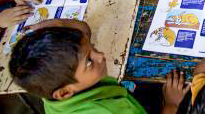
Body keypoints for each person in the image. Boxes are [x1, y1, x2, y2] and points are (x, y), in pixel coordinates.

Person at [9, 19, 148, 114]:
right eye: (89, 61)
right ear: (64, 93)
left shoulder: (52, 87)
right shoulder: (111, 111)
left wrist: (59, 24)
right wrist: (169, 105)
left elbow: (83, 31)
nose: (100, 56)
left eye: (93, 47)